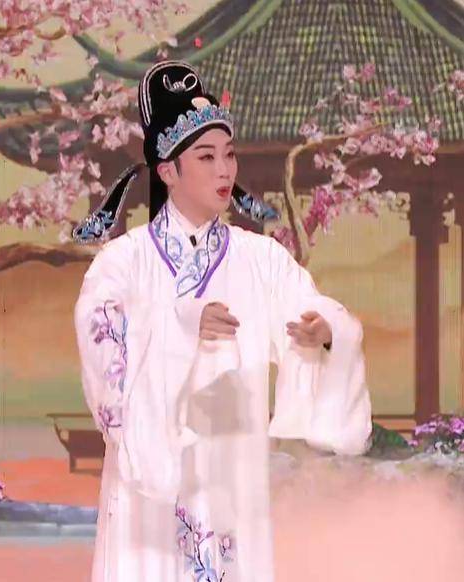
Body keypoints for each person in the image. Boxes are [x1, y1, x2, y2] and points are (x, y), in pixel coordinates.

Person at [72, 61, 372, 582]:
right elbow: (103, 348)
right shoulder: (122, 262)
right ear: (168, 171)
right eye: (206, 157)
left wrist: (325, 333)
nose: (224, 171)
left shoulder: (260, 259)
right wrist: (179, 327)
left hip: (232, 469)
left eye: (229, 155)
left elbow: (312, 308)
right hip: (151, 486)